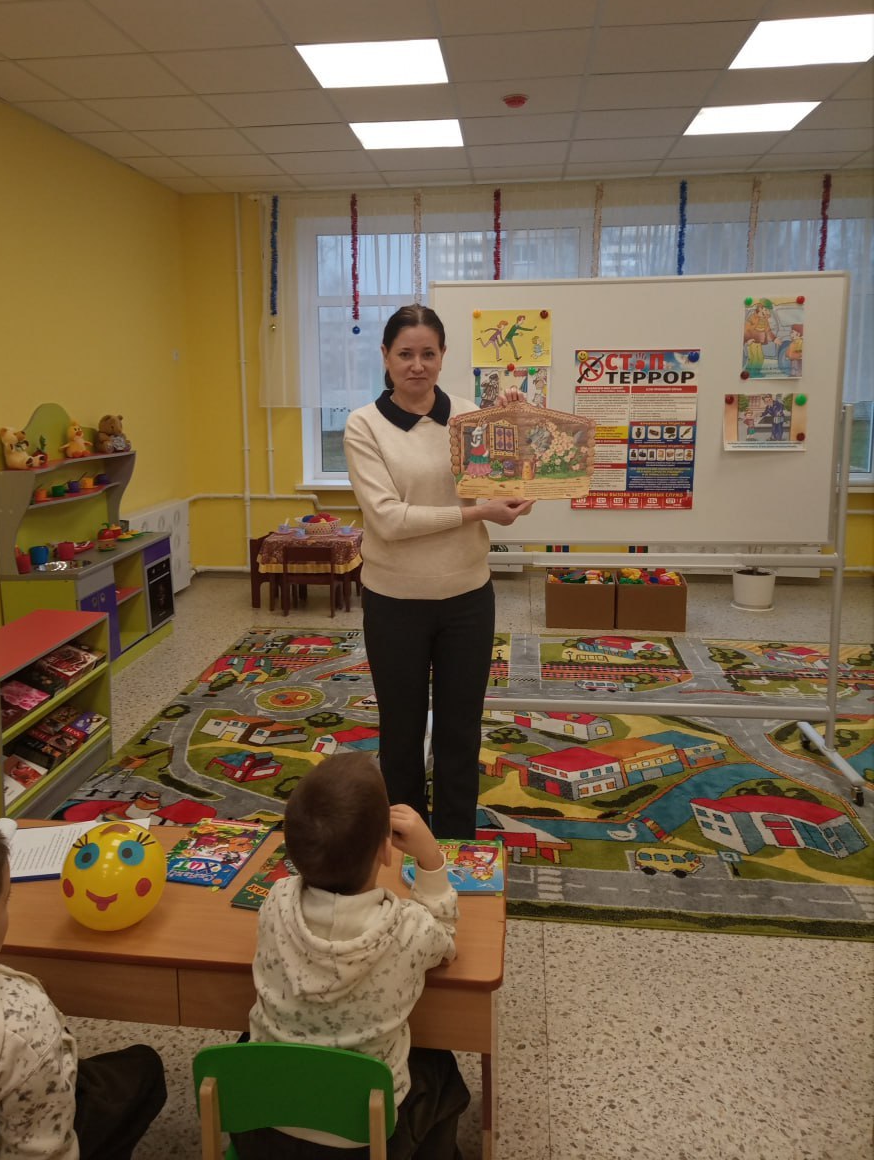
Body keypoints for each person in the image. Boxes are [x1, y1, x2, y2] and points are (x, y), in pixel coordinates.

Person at [344, 303, 533, 839]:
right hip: (394, 601)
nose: (417, 365)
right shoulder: (363, 425)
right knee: (401, 731)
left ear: (443, 356)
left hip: (467, 598)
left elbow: (502, 489)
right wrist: (476, 513)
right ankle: (408, 840)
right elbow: (388, 520)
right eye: (405, 354)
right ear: (385, 356)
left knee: (460, 729)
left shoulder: (470, 416)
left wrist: (517, 435)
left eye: (428, 353)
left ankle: (455, 842)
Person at [240, 752, 470, 1159]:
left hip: (262, 1129)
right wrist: (431, 858)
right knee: (441, 1068)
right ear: (386, 850)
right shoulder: (410, 928)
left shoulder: (275, 902)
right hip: (368, 1140)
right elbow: (445, 940)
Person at [0, 822, 166, 1160]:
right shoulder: (23, 1027)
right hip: (35, 1123)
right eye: (6, 901)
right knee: (144, 1067)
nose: (8, 909)